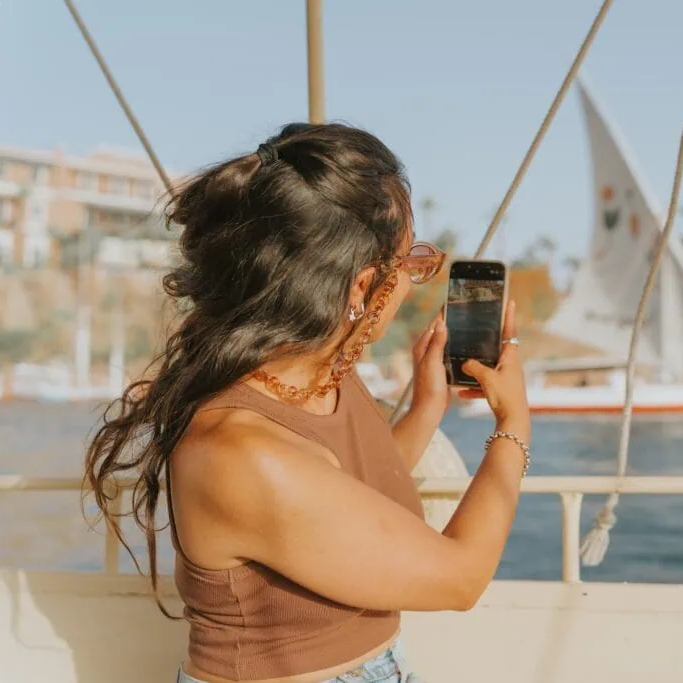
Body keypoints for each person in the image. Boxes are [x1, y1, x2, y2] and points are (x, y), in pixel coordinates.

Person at [83, 122, 531, 683]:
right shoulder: (239, 451)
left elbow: (342, 503)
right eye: (412, 262)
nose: (417, 281)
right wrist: (514, 424)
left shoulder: (323, 373)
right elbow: (460, 579)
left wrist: (426, 408)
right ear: (362, 287)